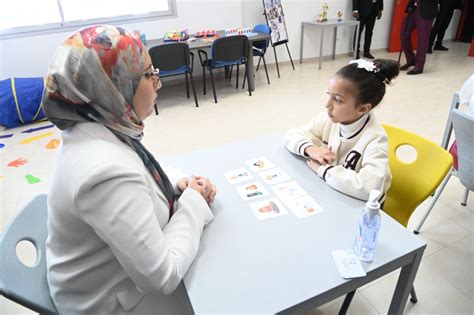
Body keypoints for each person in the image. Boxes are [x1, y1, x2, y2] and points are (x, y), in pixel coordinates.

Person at [43, 25, 216, 314]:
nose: (158, 83)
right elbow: (162, 277)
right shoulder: (103, 171)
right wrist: (194, 203)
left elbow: (141, 171)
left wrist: (180, 183)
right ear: (114, 85)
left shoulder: (98, 125)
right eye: (149, 75)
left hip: (114, 276)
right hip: (113, 302)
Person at [284, 59, 399, 201]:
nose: (327, 105)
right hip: (333, 194)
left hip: (360, 209)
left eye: (337, 100)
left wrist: (324, 170)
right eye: (329, 95)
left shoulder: (375, 139)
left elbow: (371, 188)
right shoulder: (330, 119)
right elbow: (291, 134)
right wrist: (311, 149)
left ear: (362, 109)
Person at [400, 0, 439, 75]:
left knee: (422, 39)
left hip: (426, 10)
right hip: (414, 8)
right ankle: (411, 59)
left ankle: (419, 66)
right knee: (404, 33)